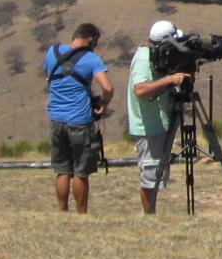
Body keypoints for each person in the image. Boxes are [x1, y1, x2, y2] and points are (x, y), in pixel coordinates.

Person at [44, 23, 111, 216]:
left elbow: (48, 78)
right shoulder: (91, 59)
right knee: (81, 171)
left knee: (62, 169)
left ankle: (62, 211)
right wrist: (102, 106)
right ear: (90, 39)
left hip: (57, 119)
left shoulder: (52, 52)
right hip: (80, 121)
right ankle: (81, 213)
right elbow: (107, 88)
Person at [126, 18, 191, 215]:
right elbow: (140, 90)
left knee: (156, 173)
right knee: (151, 174)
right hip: (149, 126)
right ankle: (149, 216)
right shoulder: (145, 59)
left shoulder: (155, 56)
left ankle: (151, 213)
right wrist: (170, 80)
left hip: (157, 123)